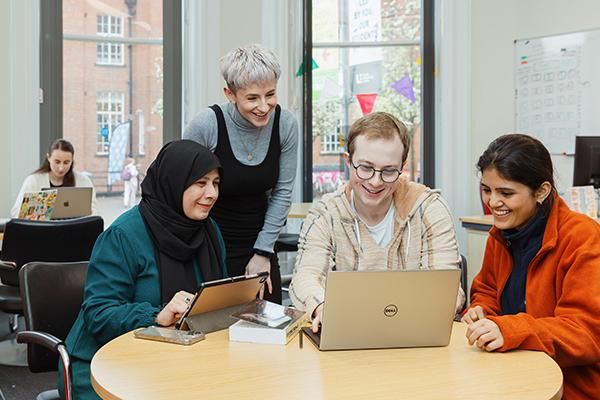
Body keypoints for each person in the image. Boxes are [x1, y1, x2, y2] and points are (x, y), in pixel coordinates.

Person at [59, 140, 227, 399]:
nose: (212, 193)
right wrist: (157, 316)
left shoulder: (209, 231)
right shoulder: (122, 235)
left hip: (179, 361)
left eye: (215, 183)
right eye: (201, 183)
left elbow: (215, 300)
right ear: (174, 182)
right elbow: (99, 314)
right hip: (103, 367)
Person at [289, 112, 465, 332]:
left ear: (402, 167)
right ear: (348, 162)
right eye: (365, 167)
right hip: (346, 338)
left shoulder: (429, 209)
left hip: (414, 339)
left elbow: (447, 291)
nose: (375, 181)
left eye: (389, 171)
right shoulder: (326, 213)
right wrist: (323, 307)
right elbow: (305, 279)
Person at [462, 134, 600, 400]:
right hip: (512, 373)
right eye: (486, 189)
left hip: (569, 386)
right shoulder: (501, 235)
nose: (492, 202)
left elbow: (586, 334)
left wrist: (510, 329)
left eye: (506, 192)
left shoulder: (583, 238)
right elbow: (487, 291)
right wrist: (481, 312)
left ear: (542, 191)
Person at [183, 43, 298, 304]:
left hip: (261, 243)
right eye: (252, 98)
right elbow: (182, 189)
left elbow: (283, 192)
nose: (264, 106)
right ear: (230, 93)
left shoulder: (286, 124)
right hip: (207, 243)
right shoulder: (206, 125)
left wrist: (263, 252)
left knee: (267, 329)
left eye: (270, 94)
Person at [10, 138, 97, 217]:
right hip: (41, 231)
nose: (61, 168)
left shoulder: (83, 181)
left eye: (66, 162)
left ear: (72, 161)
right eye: (57, 162)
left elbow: (94, 213)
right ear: (49, 158)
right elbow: (16, 212)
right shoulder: (33, 181)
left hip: (74, 231)